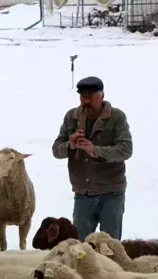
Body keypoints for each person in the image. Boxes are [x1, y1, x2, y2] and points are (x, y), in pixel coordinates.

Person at [52, 76, 133, 241]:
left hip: (111, 194)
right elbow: (56, 150)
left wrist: (95, 150)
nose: (86, 101)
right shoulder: (72, 117)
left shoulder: (117, 117)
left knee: (110, 248)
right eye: (83, 97)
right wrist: (71, 145)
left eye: (90, 97)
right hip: (83, 194)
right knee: (79, 247)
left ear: (101, 96)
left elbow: (126, 150)